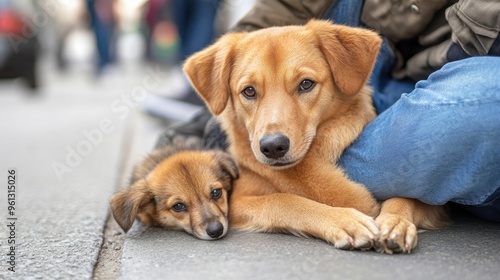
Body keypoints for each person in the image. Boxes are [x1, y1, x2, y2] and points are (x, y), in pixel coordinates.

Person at [157, 0, 500, 222]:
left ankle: (260, 165)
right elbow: (286, 10)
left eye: (303, 85)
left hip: (473, 67)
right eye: (249, 91)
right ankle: (219, 129)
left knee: (466, 116)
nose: (273, 137)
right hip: (386, 48)